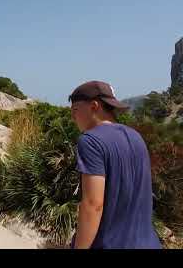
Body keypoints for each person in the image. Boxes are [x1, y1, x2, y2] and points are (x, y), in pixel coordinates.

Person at [68, 80, 161, 249]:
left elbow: (93, 205)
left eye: (75, 110)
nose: (73, 117)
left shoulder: (90, 141)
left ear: (94, 106)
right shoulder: (136, 137)